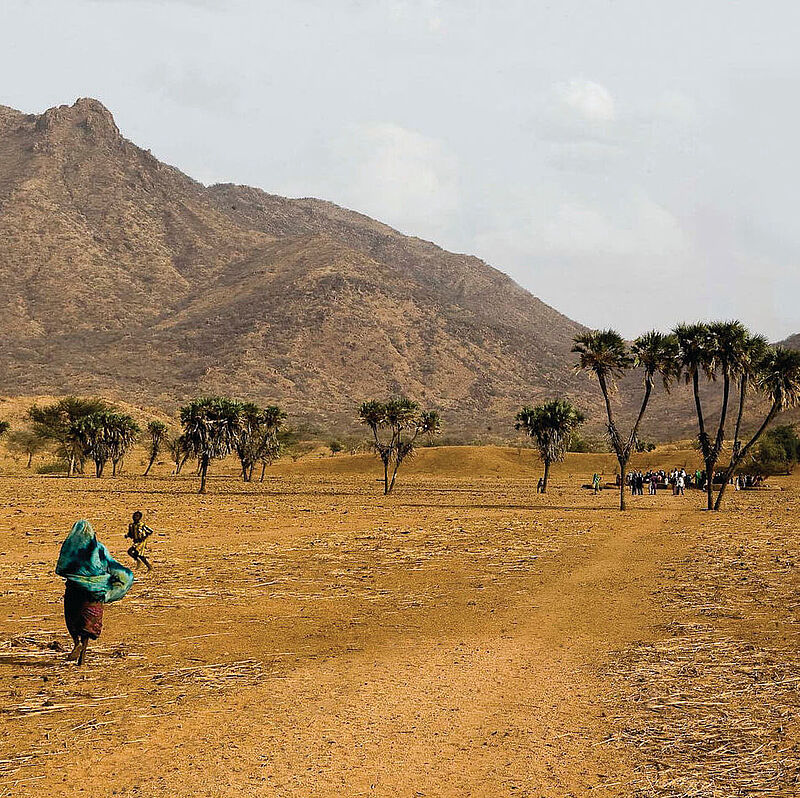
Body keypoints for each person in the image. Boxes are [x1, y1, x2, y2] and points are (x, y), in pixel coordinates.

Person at [55, 520, 134, 666]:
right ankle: (83, 655)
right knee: (87, 624)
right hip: (94, 593)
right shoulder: (99, 549)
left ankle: (76, 643)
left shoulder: (70, 547)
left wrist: (78, 577)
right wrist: (110, 586)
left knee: (73, 620)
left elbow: (63, 567)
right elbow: (111, 566)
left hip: (74, 590)